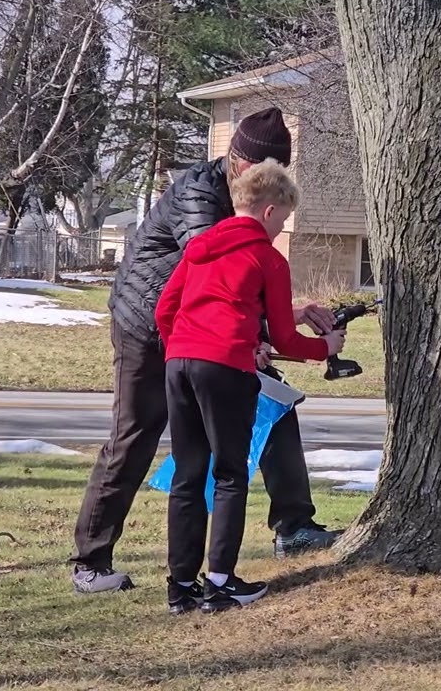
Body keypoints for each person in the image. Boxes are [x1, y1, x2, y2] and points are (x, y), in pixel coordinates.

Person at [70, 107, 342, 595]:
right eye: (265, 174)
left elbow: (235, 287)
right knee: (136, 436)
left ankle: (293, 526)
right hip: (145, 327)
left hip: (202, 332)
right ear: (238, 161)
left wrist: (288, 314)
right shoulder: (198, 192)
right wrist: (274, 326)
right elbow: (220, 275)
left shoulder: (248, 208)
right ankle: (91, 561)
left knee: (273, 406)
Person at [156, 159, 338, 614]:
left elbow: (165, 309)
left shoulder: (199, 249)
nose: (282, 229)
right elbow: (284, 336)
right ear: (272, 211)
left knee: (187, 474)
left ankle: (181, 587)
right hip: (225, 369)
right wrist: (326, 348)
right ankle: (220, 582)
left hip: (179, 362)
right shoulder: (266, 258)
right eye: (284, 219)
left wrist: (183, 347)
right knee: (230, 475)